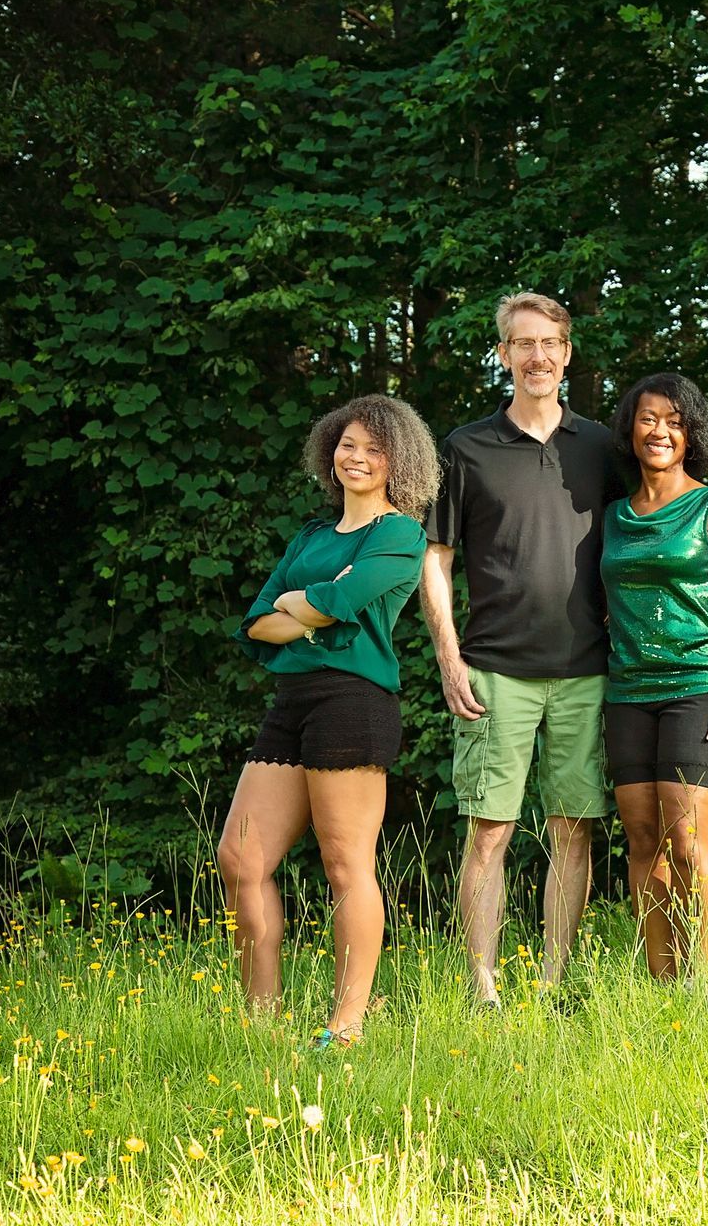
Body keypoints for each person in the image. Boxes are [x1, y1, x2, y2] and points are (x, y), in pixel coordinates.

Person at [422, 292, 624, 1002]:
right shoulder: (466, 448)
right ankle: (483, 991)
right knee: (489, 833)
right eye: (523, 343)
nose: (537, 356)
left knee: (573, 831)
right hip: (494, 672)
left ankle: (552, 983)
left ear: (568, 354)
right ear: (503, 354)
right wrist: (450, 659)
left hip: (587, 671)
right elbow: (435, 559)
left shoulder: (602, 447)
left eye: (550, 343)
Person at [219, 394, 439, 1048]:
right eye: (349, 444)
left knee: (346, 863)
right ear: (330, 450)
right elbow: (258, 621)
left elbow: (346, 600)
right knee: (240, 858)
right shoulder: (313, 538)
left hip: (354, 699)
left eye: (375, 449)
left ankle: (347, 1026)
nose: (359, 458)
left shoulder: (400, 533)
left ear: (399, 461)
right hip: (293, 701)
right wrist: (308, 607)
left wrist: (310, 603)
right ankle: (261, 1021)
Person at [601, 374, 708, 978]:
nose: (659, 431)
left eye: (673, 420)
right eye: (647, 419)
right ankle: (660, 980)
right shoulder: (613, 516)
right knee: (642, 843)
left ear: (691, 433)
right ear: (631, 429)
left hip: (698, 685)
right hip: (627, 692)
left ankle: (697, 983)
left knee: (689, 844)